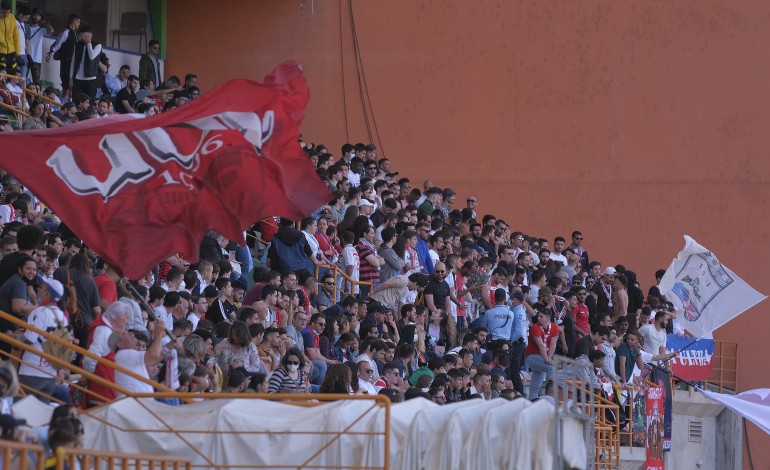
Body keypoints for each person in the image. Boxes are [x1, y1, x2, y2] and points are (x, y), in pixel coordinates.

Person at [17, 279, 69, 403]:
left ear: (48, 294)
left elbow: (29, 338)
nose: (38, 290)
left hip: (32, 369)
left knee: (21, 406)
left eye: (41, 288)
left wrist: (12, 337)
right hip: (50, 372)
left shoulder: (40, 311)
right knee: (40, 411)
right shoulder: (62, 315)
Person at [110, 319, 165, 395]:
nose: (129, 333)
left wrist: (169, 346)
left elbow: (154, 359)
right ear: (120, 344)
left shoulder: (128, 354)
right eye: (124, 333)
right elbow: (153, 356)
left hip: (137, 402)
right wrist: (158, 334)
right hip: (133, 403)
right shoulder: (124, 353)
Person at [525, 307, 559, 400]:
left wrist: (549, 357)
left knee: (535, 387)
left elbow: (553, 344)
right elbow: (540, 345)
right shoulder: (535, 327)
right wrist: (547, 359)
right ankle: (550, 394)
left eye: (541, 316)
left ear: (547, 319)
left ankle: (532, 402)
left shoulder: (555, 327)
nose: (538, 318)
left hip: (542, 357)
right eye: (538, 316)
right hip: (532, 356)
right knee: (551, 367)